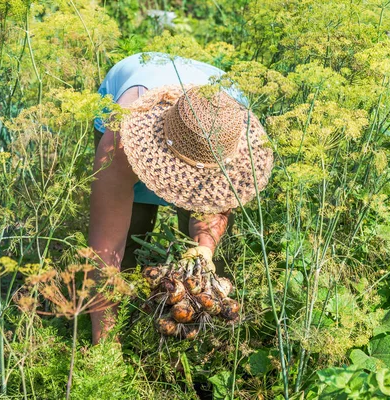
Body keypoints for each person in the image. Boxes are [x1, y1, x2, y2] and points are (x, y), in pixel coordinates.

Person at [89, 52, 273, 344]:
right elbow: (104, 252)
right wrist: (104, 353)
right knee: (131, 237)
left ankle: (196, 346)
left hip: (213, 101)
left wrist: (204, 250)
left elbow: (214, 211)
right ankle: (122, 326)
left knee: (205, 268)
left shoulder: (227, 129)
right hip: (139, 88)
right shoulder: (121, 140)